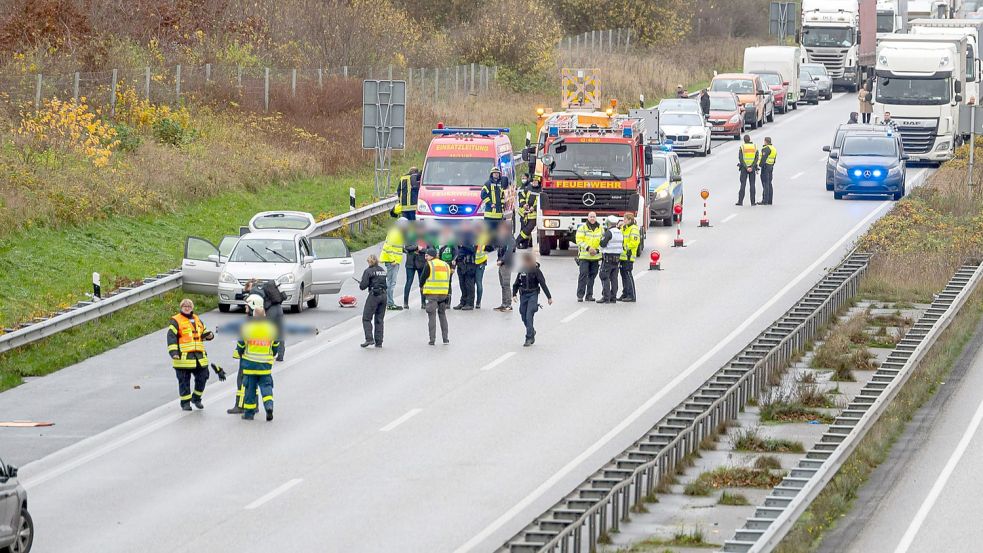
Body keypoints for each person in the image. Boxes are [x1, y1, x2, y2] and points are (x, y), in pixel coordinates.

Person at [166, 299, 214, 411]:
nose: (187, 308)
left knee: (203, 377)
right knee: (184, 381)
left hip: (199, 357)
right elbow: (171, 337)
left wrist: (210, 335)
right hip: (183, 358)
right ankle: (185, 403)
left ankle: (196, 398)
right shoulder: (176, 320)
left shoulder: (197, 319)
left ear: (192, 307)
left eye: (189, 306)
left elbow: (204, 333)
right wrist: (174, 353)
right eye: (184, 306)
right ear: (181, 307)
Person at [234, 306, 280, 421]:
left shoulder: (247, 328)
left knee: (250, 389)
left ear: (254, 316)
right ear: (264, 316)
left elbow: (240, 345)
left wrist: (240, 354)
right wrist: (272, 354)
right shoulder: (271, 328)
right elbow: (275, 346)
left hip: (250, 365)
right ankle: (269, 406)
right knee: (266, 387)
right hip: (265, 365)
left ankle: (249, 414)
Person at [512, 252, 553, 347]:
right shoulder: (522, 270)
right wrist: (514, 294)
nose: (524, 263)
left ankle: (529, 337)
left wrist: (549, 297)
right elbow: (516, 283)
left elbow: (543, 284)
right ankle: (531, 330)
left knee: (529, 315)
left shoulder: (536, 271)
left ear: (530, 261)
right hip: (523, 295)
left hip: (533, 294)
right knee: (523, 314)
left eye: (526, 261)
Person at [243, 278, 285, 361]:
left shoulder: (254, 292)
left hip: (270, 312)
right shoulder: (265, 288)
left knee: (267, 332)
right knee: (279, 332)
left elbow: (254, 309)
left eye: (247, 290)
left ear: (250, 285)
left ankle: (268, 353)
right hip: (279, 309)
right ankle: (280, 355)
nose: (248, 292)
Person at [421, 248, 451, 345]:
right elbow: (448, 280)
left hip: (432, 294)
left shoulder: (429, 264)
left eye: (427, 256)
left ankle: (432, 339)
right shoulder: (446, 265)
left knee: (432, 315)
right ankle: (445, 339)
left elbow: (422, 278)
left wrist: (421, 287)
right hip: (443, 294)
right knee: (442, 315)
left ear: (431, 256)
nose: (426, 257)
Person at [359, 254, 388, 348]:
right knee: (379, 319)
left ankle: (369, 339)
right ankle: (379, 342)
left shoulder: (368, 271)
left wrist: (362, 282)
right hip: (384, 295)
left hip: (374, 296)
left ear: (369, 261)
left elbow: (363, 286)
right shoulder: (382, 270)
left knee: (366, 318)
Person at [380, 217, 408, 310]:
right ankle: (390, 303)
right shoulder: (395, 233)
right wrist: (392, 260)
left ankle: (389, 302)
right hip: (392, 261)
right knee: (391, 282)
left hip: (394, 260)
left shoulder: (396, 232)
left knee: (391, 282)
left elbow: (396, 246)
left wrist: (403, 249)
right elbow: (388, 247)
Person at [575, 212, 603, 302]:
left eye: (594, 217)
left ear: (596, 218)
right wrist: (588, 248)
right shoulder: (582, 228)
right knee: (583, 275)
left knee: (592, 276)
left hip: (595, 257)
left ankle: (589, 295)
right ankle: (580, 295)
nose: (592, 218)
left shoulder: (601, 229)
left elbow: (603, 242)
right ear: (587, 218)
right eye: (591, 217)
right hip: (584, 256)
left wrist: (597, 250)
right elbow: (578, 240)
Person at [597, 215, 624, 304]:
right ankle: (613, 297)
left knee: (604, 276)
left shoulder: (609, 232)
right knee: (614, 278)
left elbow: (603, 244)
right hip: (617, 259)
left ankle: (606, 297)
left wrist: (601, 240)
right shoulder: (620, 232)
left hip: (608, 258)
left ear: (608, 223)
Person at [402, 221, 428, 310]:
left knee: (422, 283)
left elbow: (430, 250)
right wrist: (417, 247)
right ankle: (405, 302)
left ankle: (423, 302)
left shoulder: (427, 238)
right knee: (409, 282)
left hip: (422, 263)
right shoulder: (411, 236)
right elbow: (407, 247)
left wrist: (421, 250)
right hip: (410, 263)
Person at [453, 222, 478, 311]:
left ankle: (470, 303)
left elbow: (472, 249)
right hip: (460, 264)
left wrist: (463, 244)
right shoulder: (460, 236)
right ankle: (463, 302)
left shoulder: (472, 236)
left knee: (469, 284)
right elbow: (458, 250)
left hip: (469, 263)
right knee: (462, 284)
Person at [494, 221, 517, 312]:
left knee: (506, 285)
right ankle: (504, 304)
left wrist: (501, 260)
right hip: (502, 264)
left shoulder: (510, 239)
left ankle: (508, 304)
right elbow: (499, 249)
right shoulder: (503, 238)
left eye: (501, 228)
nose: (500, 230)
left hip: (506, 264)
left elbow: (508, 252)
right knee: (503, 285)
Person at [619, 212, 640, 302]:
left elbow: (634, 242)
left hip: (628, 255)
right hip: (623, 256)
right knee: (623, 275)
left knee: (628, 275)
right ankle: (625, 293)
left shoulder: (634, 229)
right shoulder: (625, 228)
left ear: (629, 220)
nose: (623, 221)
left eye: (625, 219)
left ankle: (632, 295)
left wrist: (624, 247)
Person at [517, 175, 540, 249]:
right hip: (525, 213)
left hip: (533, 214)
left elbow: (541, 202)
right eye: (533, 181)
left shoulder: (541, 190)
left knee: (529, 228)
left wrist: (534, 208)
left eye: (536, 181)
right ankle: (524, 244)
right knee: (524, 228)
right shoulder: (528, 188)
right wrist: (524, 204)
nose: (534, 183)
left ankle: (517, 240)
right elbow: (521, 197)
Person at [481, 167, 508, 232]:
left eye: (497, 173)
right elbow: (483, 195)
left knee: (497, 233)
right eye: (494, 173)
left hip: (498, 215)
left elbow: (502, 197)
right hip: (489, 215)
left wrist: (502, 206)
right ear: (491, 174)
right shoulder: (488, 184)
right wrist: (491, 204)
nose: (496, 174)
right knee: (488, 233)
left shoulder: (500, 184)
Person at [736, 134, 759, 206]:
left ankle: (740, 202)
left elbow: (741, 158)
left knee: (743, 185)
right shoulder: (754, 147)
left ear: (744, 140)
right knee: (752, 185)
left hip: (744, 168)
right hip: (752, 168)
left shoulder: (742, 147)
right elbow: (757, 158)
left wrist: (746, 167)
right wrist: (752, 167)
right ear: (750, 139)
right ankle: (753, 202)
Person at [474, 223, 491, 309]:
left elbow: (487, 248)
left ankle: (478, 302)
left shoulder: (483, 237)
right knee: (474, 282)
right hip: (474, 262)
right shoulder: (477, 237)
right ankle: (474, 301)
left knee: (478, 282)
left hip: (480, 262)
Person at [759, 137, 777, 205]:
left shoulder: (766, 148)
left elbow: (763, 158)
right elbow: (774, 158)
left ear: (766, 141)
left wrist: (759, 166)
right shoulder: (774, 148)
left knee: (765, 183)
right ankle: (770, 200)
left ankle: (765, 200)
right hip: (771, 166)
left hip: (765, 167)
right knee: (769, 183)